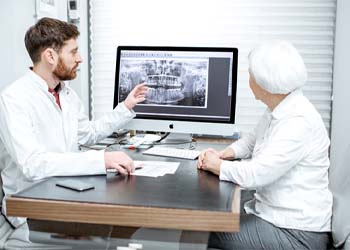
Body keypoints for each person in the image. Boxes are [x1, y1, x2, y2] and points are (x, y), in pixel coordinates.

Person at [0, 17, 147, 240]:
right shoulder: (14, 99)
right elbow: (33, 165)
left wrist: (125, 107)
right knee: (122, 229)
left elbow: (87, 133)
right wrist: (101, 160)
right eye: (73, 52)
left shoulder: (65, 93)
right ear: (50, 55)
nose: (79, 59)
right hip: (30, 214)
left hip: (67, 194)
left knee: (128, 223)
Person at [197, 40, 332, 250]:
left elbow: (257, 174)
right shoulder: (280, 106)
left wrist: (216, 165)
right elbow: (252, 140)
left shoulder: (298, 121)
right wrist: (226, 154)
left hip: (295, 234)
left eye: (250, 74)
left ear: (264, 82)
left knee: (198, 230)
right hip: (275, 216)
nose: (249, 79)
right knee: (210, 216)